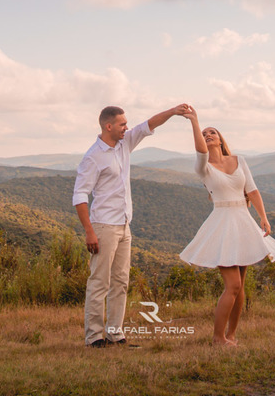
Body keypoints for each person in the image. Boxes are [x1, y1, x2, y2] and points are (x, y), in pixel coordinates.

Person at [73, 103, 191, 348]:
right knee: (99, 282)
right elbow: (80, 195)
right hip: (104, 226)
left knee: (120, 282)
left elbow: (148, 125)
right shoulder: (93, 156)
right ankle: (94, 337)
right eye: (122, 124)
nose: (126, 127)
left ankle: (114, 334)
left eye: (126, 124)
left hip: (124, 224)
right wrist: (89, 231)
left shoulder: (124, 143)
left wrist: (172, 112)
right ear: (108, 126)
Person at [179, 107, 275, 346]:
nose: (208, 135)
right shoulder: (203, 166)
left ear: (220, 139)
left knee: (240, 286)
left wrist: (263, 217)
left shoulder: (239, 160)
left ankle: (232, 335)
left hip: (243, 222)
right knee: (233, 285)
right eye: (204, 134)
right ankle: (218, 338)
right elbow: (200, 150)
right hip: (222, 225)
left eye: (212, 132)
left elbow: (252, 190)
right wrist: (194, 121)